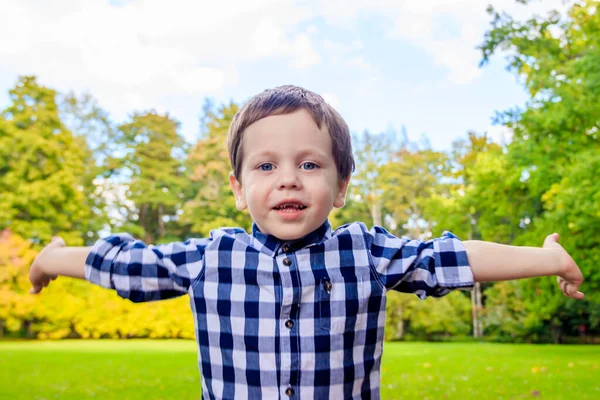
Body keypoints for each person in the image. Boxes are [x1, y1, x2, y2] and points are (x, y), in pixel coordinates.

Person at [29, 85, 585, 399]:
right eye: (266, 165)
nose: (288, 179)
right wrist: (54, 258)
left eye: (310, 164)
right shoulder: (211, 257)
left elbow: (454, 258)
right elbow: (128, 265)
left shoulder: (366, 253)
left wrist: (546, 257)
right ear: (239, 190)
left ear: (340, 185)